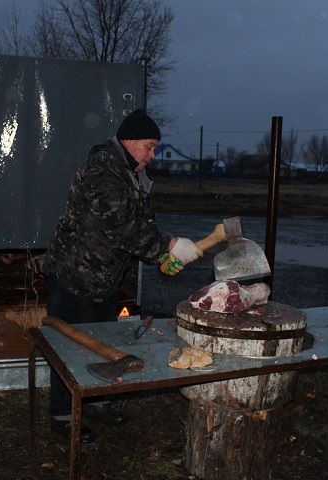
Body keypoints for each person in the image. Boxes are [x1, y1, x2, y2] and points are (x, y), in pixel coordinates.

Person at [42, 108, 202, 442]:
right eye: (149, 146)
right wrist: (169, 245)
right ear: (129, 142)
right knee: (68, 348)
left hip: (103, 279)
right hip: (73, 276)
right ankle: (62, 416)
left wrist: (161, 254)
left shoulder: (133, 174)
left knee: (104, 344)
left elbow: (142, 224)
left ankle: (97, 403)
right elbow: (120, 225)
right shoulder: (103, 167)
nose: (153, 154)